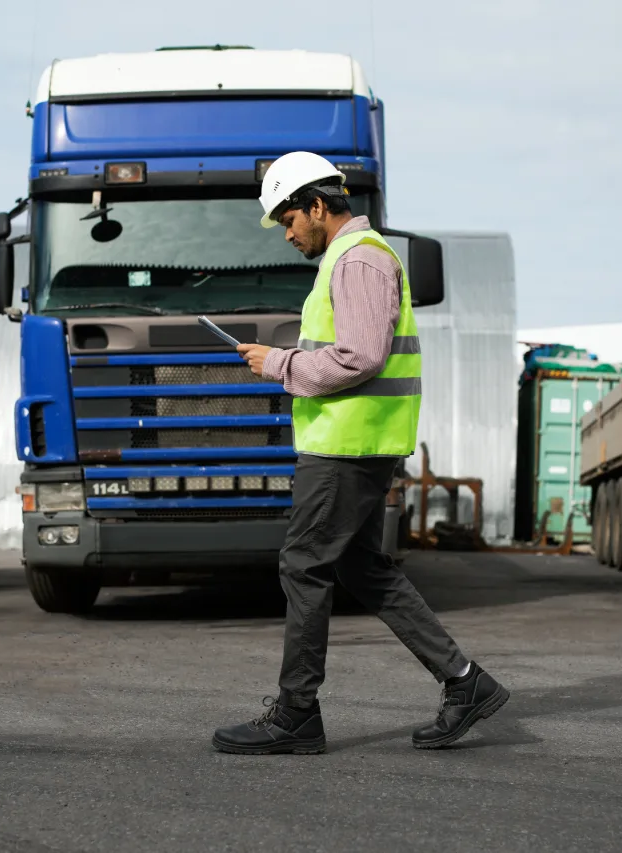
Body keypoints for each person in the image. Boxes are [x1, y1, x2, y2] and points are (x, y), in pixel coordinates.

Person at [210, 151, 509, 755]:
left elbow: (361, 356)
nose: (287, 232)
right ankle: (464, 681)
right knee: (360, 567)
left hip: (348, 448)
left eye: (288, 218)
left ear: (318, 206)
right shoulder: (351, 260)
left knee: (303, 566)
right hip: (355, 442)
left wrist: (280, 363)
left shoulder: (360, 260)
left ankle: (297, 713)